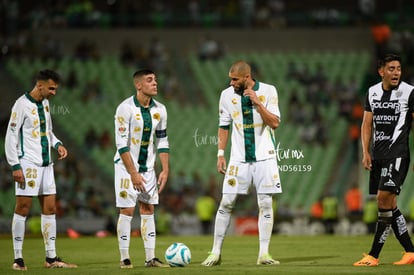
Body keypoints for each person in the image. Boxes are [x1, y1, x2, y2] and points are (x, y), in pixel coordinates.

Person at [201, 61, 282, 266]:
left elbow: (274, 123)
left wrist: (258, 103)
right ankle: (215, 253)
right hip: (238, 159)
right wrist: (220, 154)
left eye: (235, 79)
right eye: (230, 78)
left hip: (265, 157)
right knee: (226, 202)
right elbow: (223, 126)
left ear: (247, 77)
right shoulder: (226, 95)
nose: (231, 82)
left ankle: (264, 254)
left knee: (265, 204)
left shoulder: (269, 91)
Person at [4, 69, 77, 270]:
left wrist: (58, 144)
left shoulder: (44, 104)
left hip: (47, 164)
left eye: (55, 89)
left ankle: (51, 258)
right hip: (28, 163)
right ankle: (18, 259)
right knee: (23, 208)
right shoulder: (21, 105)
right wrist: (15, 165)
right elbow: (11, 136)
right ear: (40, 85)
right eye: (51, 88)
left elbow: (48, 131)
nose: (54, 93)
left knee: (50, 208)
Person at [353, 54, 414, 266]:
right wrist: (365, 151)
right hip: (378, 156)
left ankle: (374, 255)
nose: (396, 72)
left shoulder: (409, 92)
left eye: (398, 68)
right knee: (390, 204)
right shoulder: (372, 92)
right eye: (391, 69)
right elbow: (366, 124)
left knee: (382, 200)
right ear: (381, 71)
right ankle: (410, 251)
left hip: (397, 155)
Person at [114, 69, 169, 268]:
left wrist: (165, 169)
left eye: (155, 79)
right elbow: (121, 145)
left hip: (148, 168)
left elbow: (162, 139)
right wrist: (133, 173)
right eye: (149, 80)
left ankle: (150, 258)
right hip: (126, 168)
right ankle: (125, 258)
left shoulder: (160, 109)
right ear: (138, 85)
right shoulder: (125, 108)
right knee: (127, 209)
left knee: (148, 208)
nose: (155, 83)